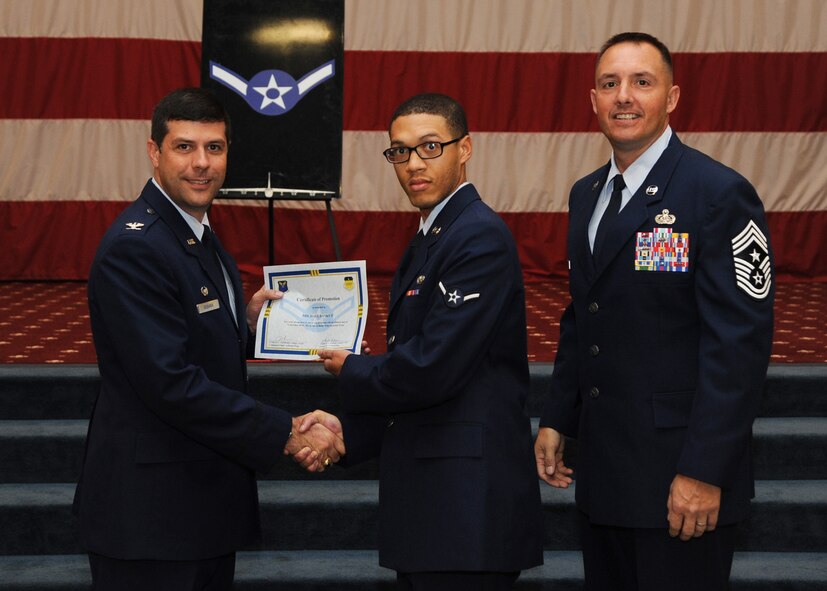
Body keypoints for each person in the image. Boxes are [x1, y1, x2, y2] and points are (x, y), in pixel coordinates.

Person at [73, 87, 344, 590]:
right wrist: (287, 430)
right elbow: (169, 382)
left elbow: (186, 332)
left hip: (197, 505)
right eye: (184, 147)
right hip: (150, 516)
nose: (202, 163)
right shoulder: (137, 246)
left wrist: (246, 323)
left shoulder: (195, 229)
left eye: (214, 148)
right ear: (154, 152)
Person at [534, 32, 774, 590]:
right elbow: (584, 316)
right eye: (610, 83)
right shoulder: (586, 194)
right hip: (605, 476)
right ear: (592, 99)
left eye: (642, 82)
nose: (624, 96)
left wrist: (704, 472)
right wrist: (557, 416)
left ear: (672, 98)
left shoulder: (718, 193)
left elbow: (738, 347)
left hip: (680, 481)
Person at [308, 93, 544, 590]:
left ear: (466, 149)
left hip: (466, 513)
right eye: (400, 151)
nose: (413, 164)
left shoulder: (477, 235)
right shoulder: (433, 235)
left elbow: (433, 367)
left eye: (430, 147)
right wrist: (351, 432)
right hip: (440, 505)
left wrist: (352, 369)